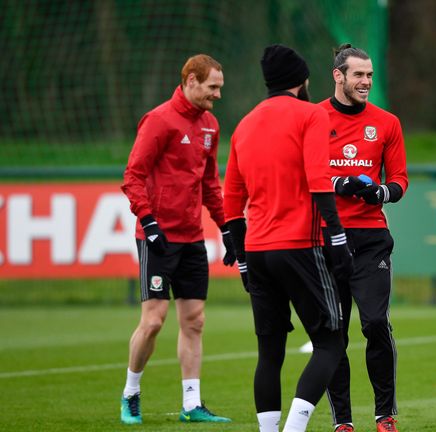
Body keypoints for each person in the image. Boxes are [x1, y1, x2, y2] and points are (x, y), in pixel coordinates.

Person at [223, 44, 353, 432]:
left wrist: (243, 258)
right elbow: (318, 179)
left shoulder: (245, 122)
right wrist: (339, 237)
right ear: (302, 80)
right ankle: (294, 429)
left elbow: (232, 199)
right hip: (298, 246)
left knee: (270, 352)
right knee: (331, 342)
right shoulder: (311, 114)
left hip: (258, 250)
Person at [119, 54, 234, 424]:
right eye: (212, 87)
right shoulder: (158, 121)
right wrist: (149, 223)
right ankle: (131, 393)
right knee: (154, 320)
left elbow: (209, 186)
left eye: (219, 87)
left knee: (195, 320)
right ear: (191, 81)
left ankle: (191, 405)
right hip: (157, 237)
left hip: (192, 238)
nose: (217, 95)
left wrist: (227, 228)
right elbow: (133, 175)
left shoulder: (210, 126)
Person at [318, 44, 408, 432]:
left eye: (370, 75)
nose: (366, 82)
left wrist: (381, 192)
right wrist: (340, 182)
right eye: (359, 75)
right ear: (338, 75)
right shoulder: (314, 118)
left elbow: (400, 179)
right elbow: (305, 174)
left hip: (372, 237)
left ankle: (385, 414)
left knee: (374, 323)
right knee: (334, 330)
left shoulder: (387, 122)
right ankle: (343, 421)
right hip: (327, 237)